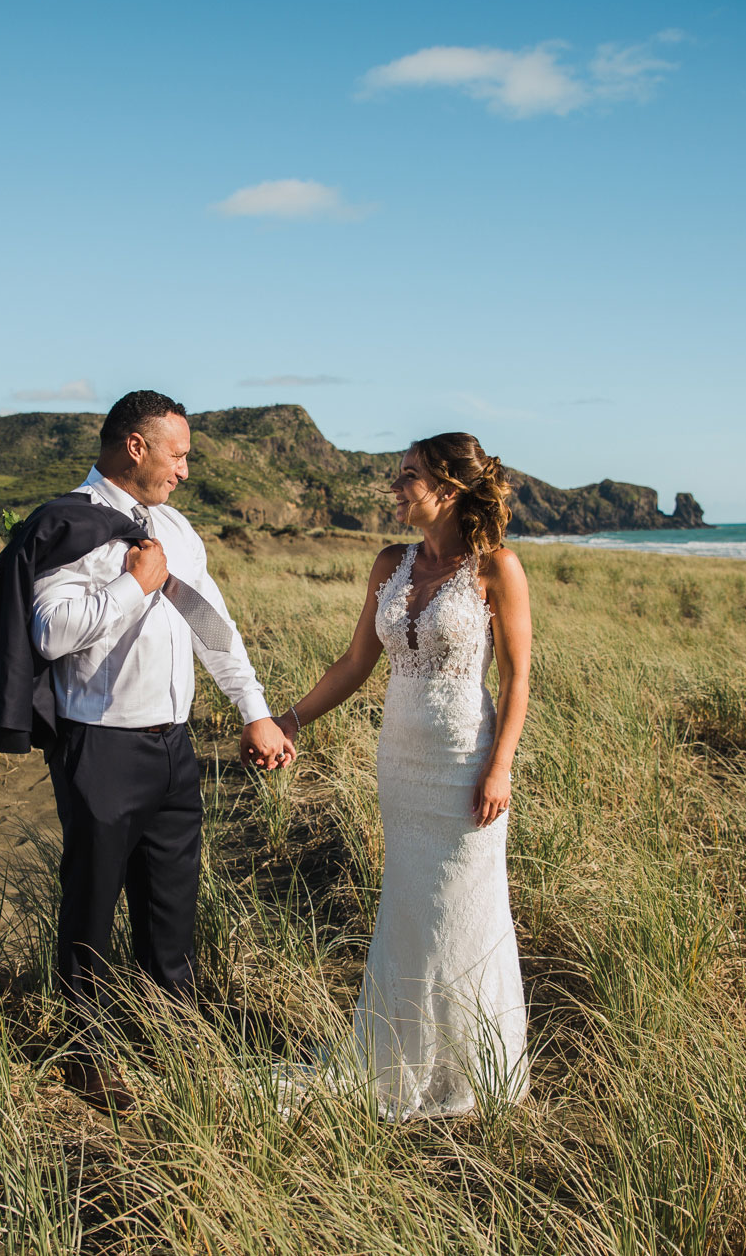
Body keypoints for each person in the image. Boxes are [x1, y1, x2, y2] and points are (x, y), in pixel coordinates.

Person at [0, 389, 295, 1111]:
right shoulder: (69, 524)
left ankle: (173, 1036)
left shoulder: (177, 529)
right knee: (91, 903)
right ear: (136, 447)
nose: (185, 468)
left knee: (172, 907)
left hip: (175, 748)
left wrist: (255, 711)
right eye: (177, 453)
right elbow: (49, 631)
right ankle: (82, 1055)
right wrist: (130, 585)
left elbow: (216, 625)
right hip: (102, 749)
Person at [272, 432, 531, 1118]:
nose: (394, 486)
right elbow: (356, 662)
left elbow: (518, 677)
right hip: (401, 763)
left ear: (447, 489)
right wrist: (292, 719)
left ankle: (473, 1066)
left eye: (408, 475)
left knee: (464, 907)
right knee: (411, 904)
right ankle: (400, 1052)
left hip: (466, 762)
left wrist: (500, 765)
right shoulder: (390, 562)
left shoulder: (496, 568)